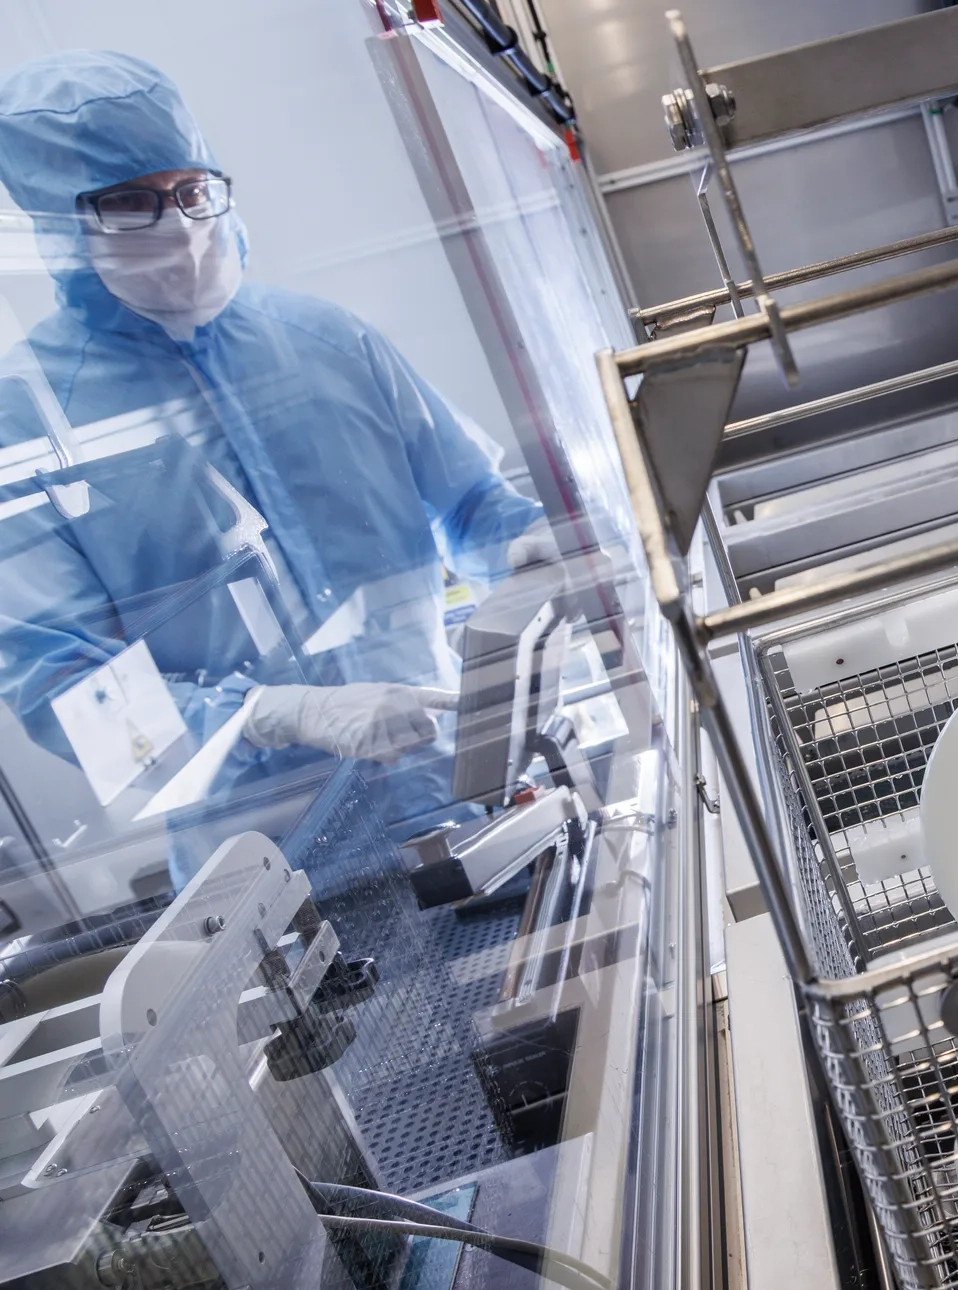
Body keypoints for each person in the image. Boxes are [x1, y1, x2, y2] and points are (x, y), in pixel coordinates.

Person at [0, 51, 558, 871]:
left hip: (461, 800)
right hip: (272, 875)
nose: (179, 226)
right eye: (128, 203)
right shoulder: (28, 428)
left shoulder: (326, 338)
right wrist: (270, 713)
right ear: (54, 226)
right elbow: (68, 698)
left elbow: (469, 503)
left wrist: (526, 548)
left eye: (192, 190)